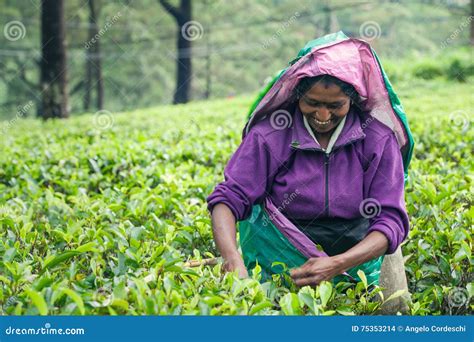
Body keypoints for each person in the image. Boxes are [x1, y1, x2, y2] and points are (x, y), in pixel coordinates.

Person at [206, 32, 414, 311]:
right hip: (281, 259)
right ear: (297, 95)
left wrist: (336, 264)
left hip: (356, 261)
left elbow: (391, 221)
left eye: (335, 105)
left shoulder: (376, 139)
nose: (323, 116)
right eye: (312, 103)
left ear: (352, 99)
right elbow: (228, 199)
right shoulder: (271, 134)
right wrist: (232, 258)